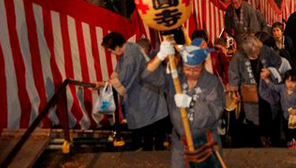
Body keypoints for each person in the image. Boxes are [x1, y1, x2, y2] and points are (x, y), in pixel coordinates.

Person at [142, 40, 225, 168]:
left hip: (205, 143)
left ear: (203, 65)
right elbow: (147, 76)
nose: (191, 73)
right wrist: (160, 56)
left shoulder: (212, 83)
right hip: (180, 144)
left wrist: (191, 103)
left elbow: (215, 111)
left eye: (196, 69)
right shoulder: (176, 78)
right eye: (187, 69)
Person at [99, 32, 170, 151]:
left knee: (149, 135)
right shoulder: (131, 47)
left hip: (147, 97)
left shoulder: (130, 55)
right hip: (148, 96)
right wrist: (106, 82)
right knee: (152, 133)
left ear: (117, 47)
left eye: (111, 50)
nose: (111, 52)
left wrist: (104, 84)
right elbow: (119, 73)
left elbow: (122, 79)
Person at [227, 34, 282, 147]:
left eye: (258, 51)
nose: (257, 54)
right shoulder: (238, 56)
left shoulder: (265, 50)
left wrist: (270, 71)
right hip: (248, 92)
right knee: (250, 117)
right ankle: (255, 141)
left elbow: (278, 62)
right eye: (253, 53)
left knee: (268, 114)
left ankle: (267, 138)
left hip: (266, 89)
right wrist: (234, 90)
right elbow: (233, 74)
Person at [259, 68, 296, 149]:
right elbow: (273, 87)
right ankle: (289, 144)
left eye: (293, 82)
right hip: (285, 116)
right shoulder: (282, 88)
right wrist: (266, 79)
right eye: (288, 81)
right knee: (287, 132)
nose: (290, 84)